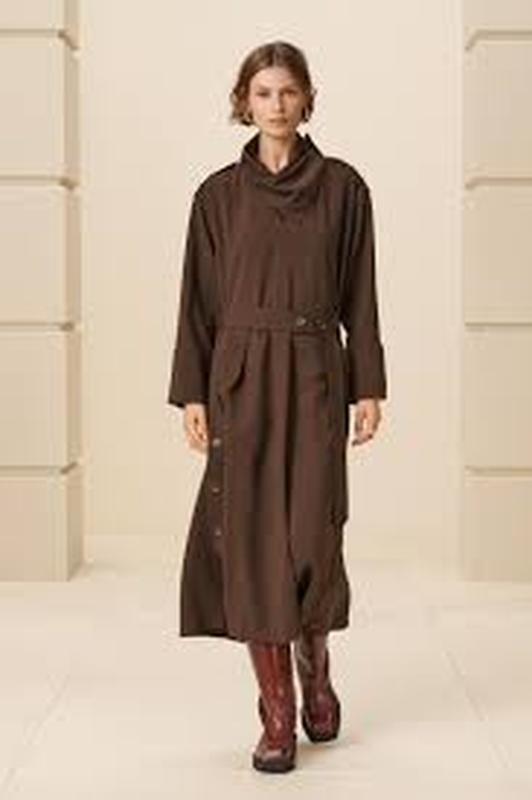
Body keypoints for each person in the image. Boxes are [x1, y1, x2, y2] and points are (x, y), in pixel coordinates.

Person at [167, 40, 387, 773]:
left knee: (311, 538)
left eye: (288, 91)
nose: (276, 105)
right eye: (263, 93)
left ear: (307, 99)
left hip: (317, 372)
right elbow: (198, 303)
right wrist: (192, 392)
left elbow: (361, 295)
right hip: (240, 382)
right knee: (253, 541)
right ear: (244, 102)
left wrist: (368, 384)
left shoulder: (344, 189)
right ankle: (278, 710)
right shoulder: (216, 198)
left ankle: (315, 667)